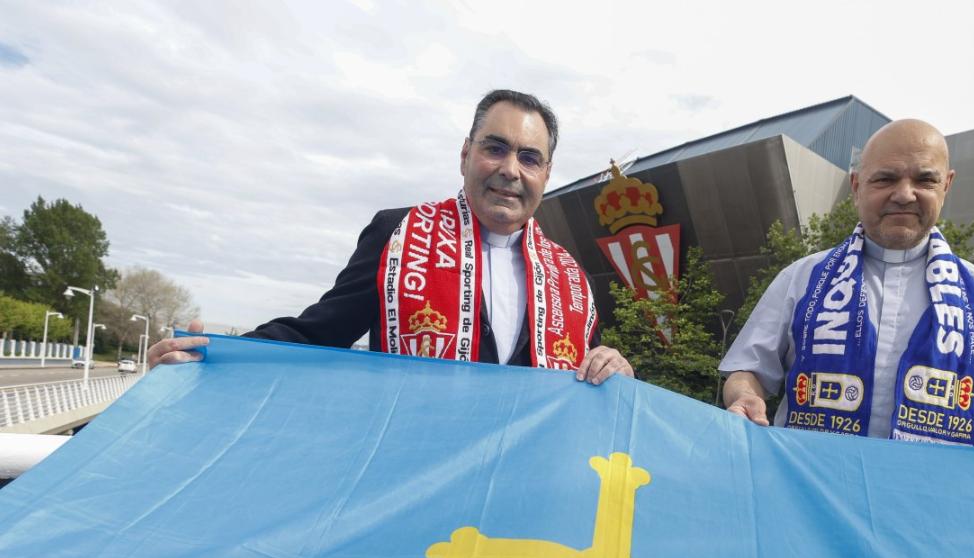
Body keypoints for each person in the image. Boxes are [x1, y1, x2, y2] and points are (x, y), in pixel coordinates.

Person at [149, 90, 633, 385]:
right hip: (411, 481)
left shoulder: (566, 273)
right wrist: (212, 354)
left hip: (525, 489)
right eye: (495, 148)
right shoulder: (397, 234)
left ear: (545, 174)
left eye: (529, 157)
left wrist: (615, 369)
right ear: (466, 153)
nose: (510, 169)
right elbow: (317, 335)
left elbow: (587, 370)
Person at [720, 119, 974, 482]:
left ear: (946, 186)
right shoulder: (802, 279)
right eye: (885, 178)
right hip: (805, 493)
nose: (904, 194)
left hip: (925, 505)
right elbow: (748, 371)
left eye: (924, 179)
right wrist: (744, 398)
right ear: (856, 187)